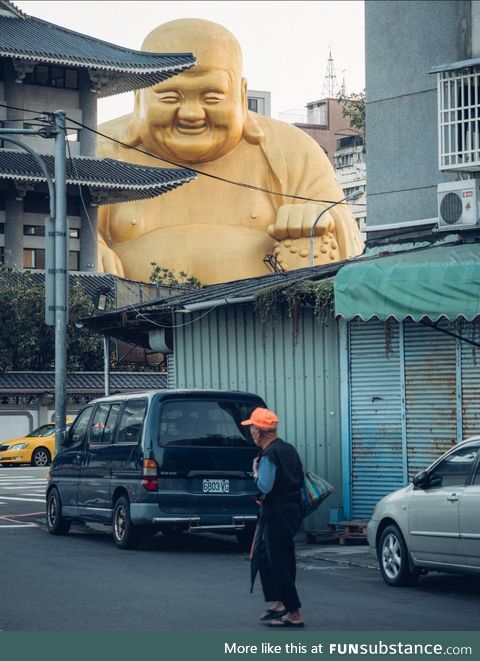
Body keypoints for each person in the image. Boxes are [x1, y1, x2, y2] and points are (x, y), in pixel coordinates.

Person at [97, 18, 364, 284]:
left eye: (211, 96)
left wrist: (319, 218)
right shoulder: (99, 148)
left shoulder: (290, 149)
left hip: (265, 317)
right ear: (138, 97)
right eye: (170, 97)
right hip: (126, 319)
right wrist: (89, 252)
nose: (192, 114)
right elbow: (62, 229)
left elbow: (350, 238)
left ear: (241, 92)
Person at [241, 406, 305, 628]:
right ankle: (280, 603)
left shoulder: (269, 455)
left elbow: (265, 485)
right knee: (271, 556)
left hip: (277, 511)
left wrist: (256, 473)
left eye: (252, 429)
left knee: (278, 560)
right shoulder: (288, 449)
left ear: (259, 431)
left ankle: (294, 612)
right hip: (292, 510)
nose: (251, 433)